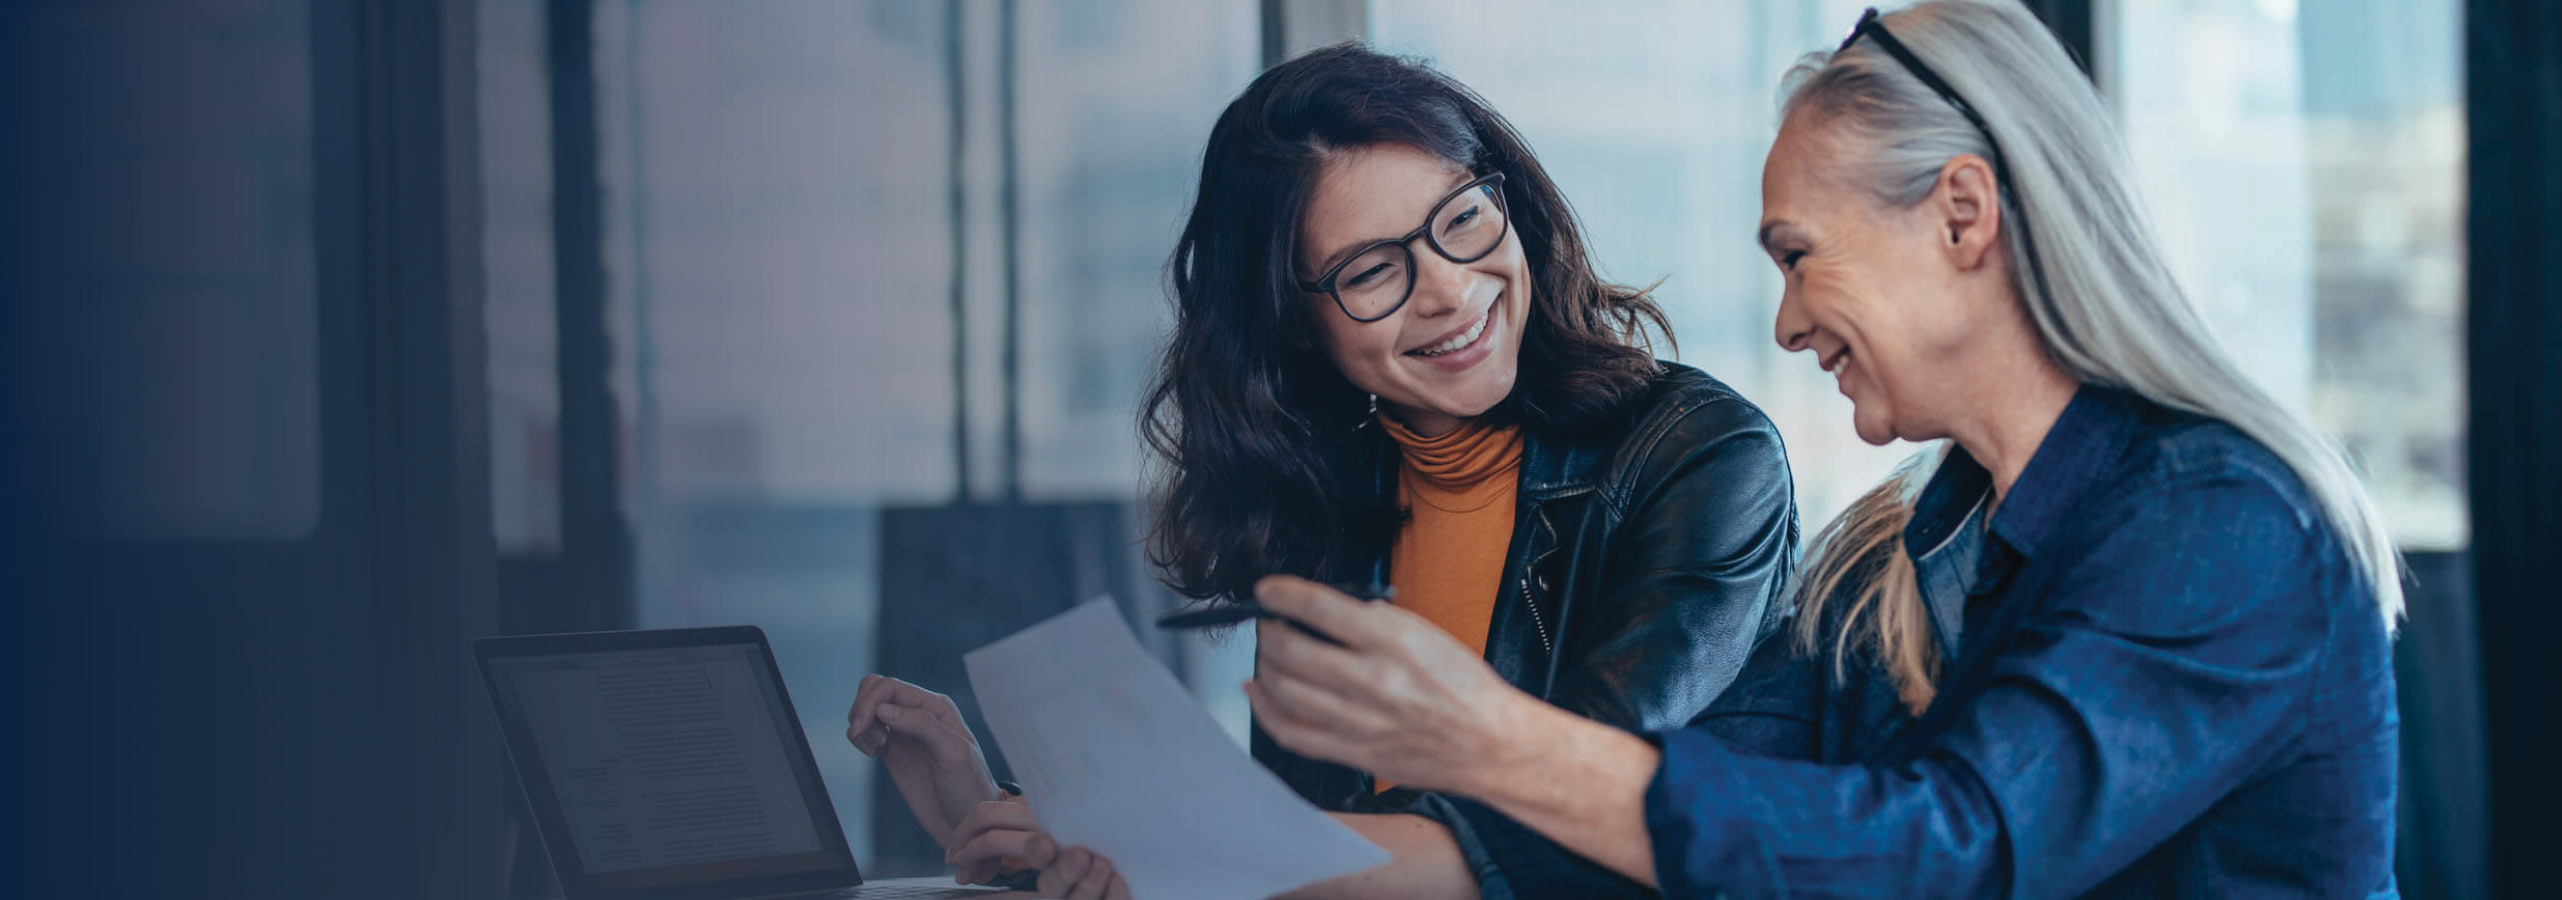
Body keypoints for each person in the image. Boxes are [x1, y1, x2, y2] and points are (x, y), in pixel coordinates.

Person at [1015, 1, 2407, 896]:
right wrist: (1153, 859)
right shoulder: (1906, 545)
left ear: (1964, 217)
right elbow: (1667, 829)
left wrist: (1486, 735)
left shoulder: (2220, 522)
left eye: (1800, 258)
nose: (1790, 319)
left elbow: (1958, 852)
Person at [844, 42, 1802, 897]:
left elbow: (1583, 815)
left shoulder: (1701, 455)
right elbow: (1292, 851)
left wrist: (1186, 847)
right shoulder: (1322, 502)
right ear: (1295, 326)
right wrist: (1016, 827)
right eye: (1371, 271)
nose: (1450, 290)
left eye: (1462, 218)